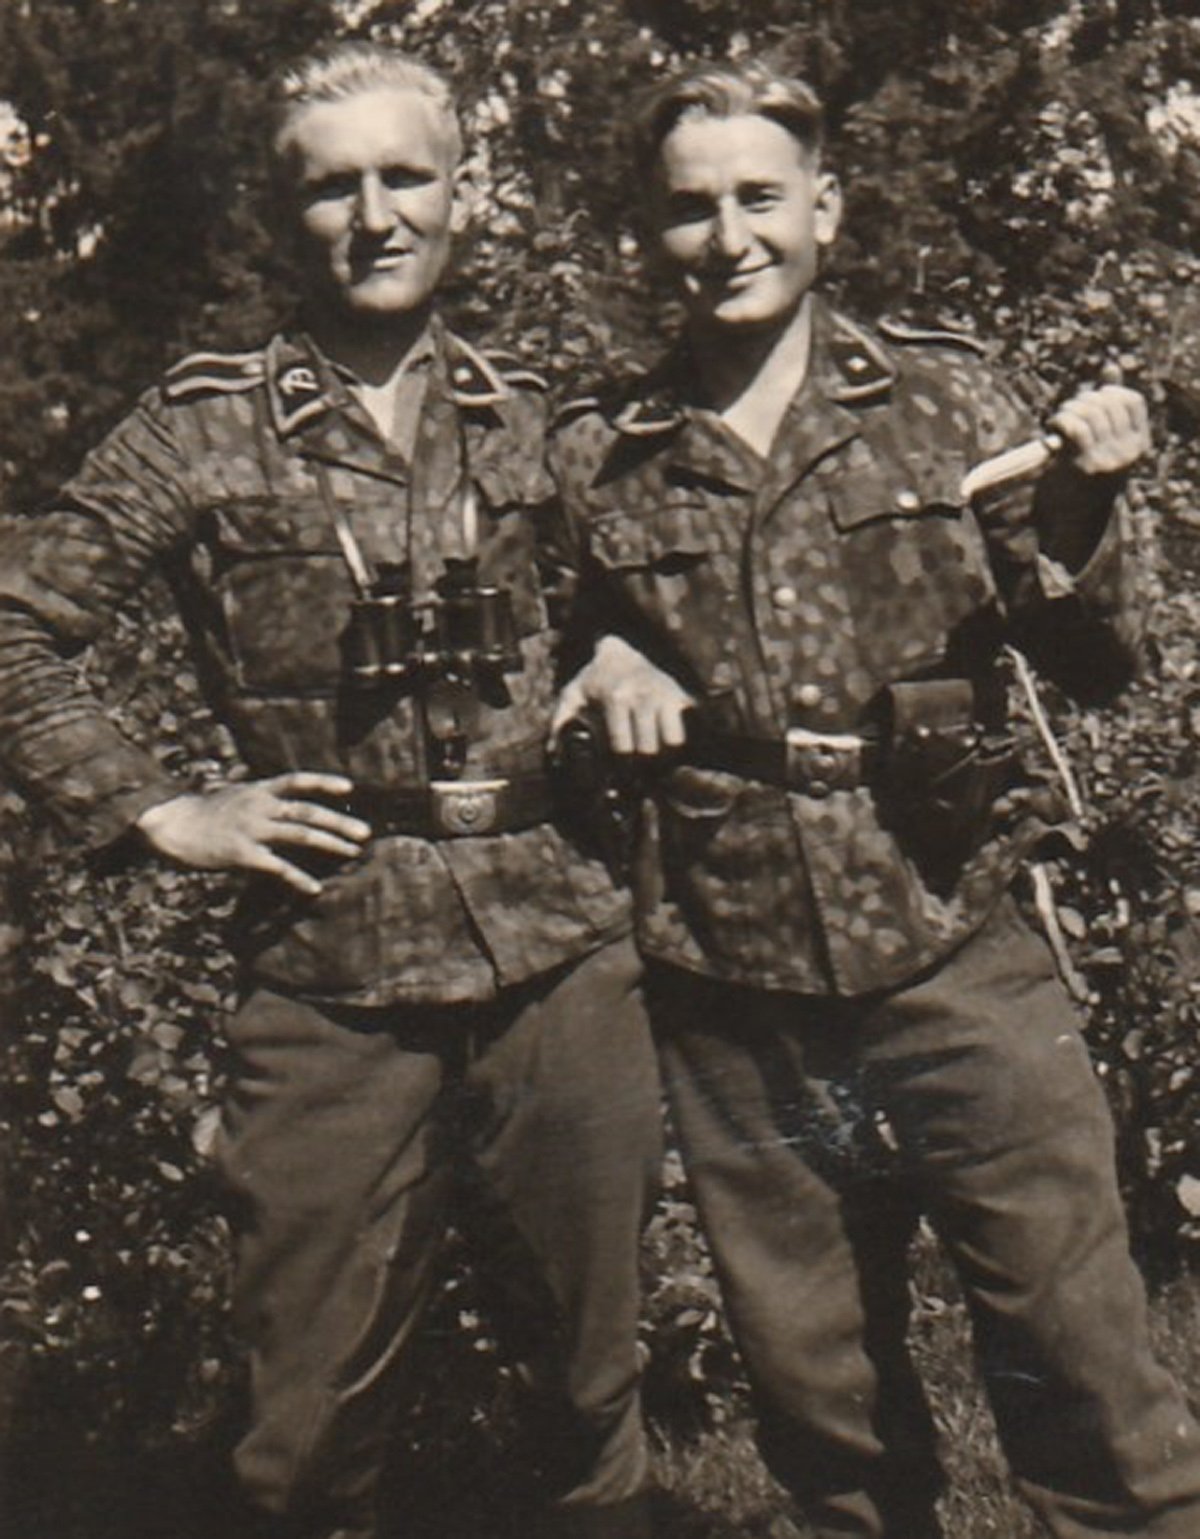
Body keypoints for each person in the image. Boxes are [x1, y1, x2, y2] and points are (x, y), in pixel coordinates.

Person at [0, 42, 662, 1539]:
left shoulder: (536, 414)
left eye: (406, 177)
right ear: (279, 215)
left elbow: (657, 592)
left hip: (559, 950)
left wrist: (626, 649)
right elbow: (17, 624)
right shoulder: (200, 426)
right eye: (333, 187)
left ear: (463, 197)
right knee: (295, 1431)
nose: (374, 216)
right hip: (327, 961)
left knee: (591, 1392)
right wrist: (158, 809)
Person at [547, 59, 1200, 1539]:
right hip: (731, 967)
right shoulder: (598, 455)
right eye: (691, 209)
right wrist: (597, 659)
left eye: (760, 198)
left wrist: (1092, 505)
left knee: (1083, 1358)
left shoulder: (946, 396)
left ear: (826, 209)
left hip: (954, 923)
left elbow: (1102, 662)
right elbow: (540, 644)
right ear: (650, 232)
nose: (729, 238)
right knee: (819, 1396)